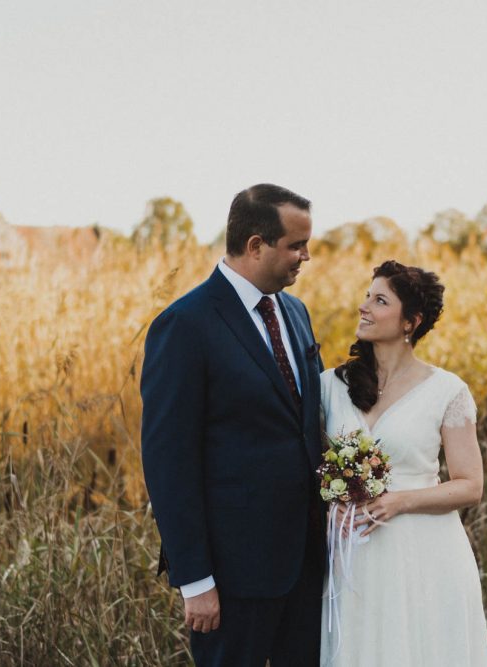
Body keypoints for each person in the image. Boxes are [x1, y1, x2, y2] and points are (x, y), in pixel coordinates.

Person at [140, 184, 325, 666]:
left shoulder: (295, 312)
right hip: (232, 577)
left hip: (306, 566)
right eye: (297, 245)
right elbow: (168, 462)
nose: (306, 256)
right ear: (256, 245)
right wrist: (195, 580)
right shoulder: (185, 325)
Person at [319, 260, 487, 666]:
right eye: (367, 296)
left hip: (425, 555)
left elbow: (470, 485)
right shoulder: (330, 385)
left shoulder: (446, 390)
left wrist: (399, 501)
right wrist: (330, 504)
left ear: (410, 322)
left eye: (380, 301)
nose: (364, 307)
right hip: (355, 556)